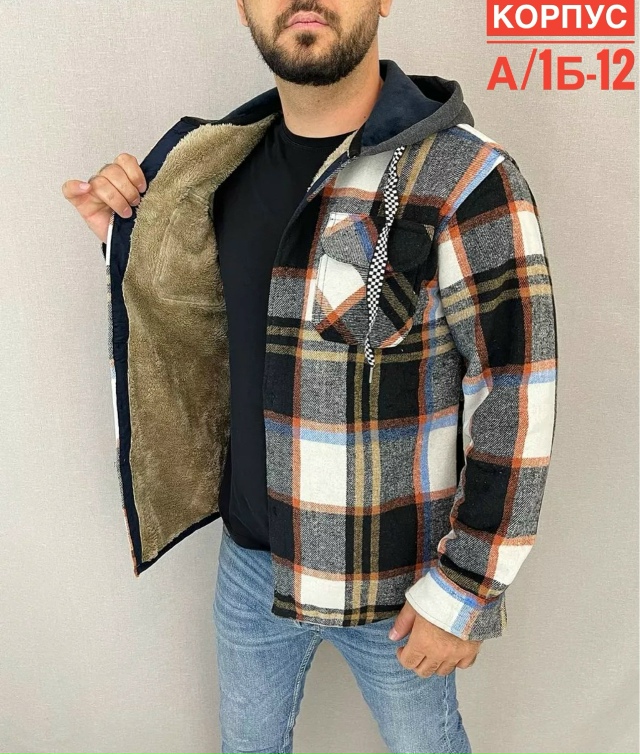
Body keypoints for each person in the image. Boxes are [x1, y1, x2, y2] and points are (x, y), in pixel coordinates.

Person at [62, 1, 558, 752]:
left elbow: (516, 395)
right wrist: (131, 241)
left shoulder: (467, 175)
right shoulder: (215, 167)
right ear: (243, 8)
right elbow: (210, 333)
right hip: (248, 566)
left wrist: (465, 588)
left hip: (397, 585)